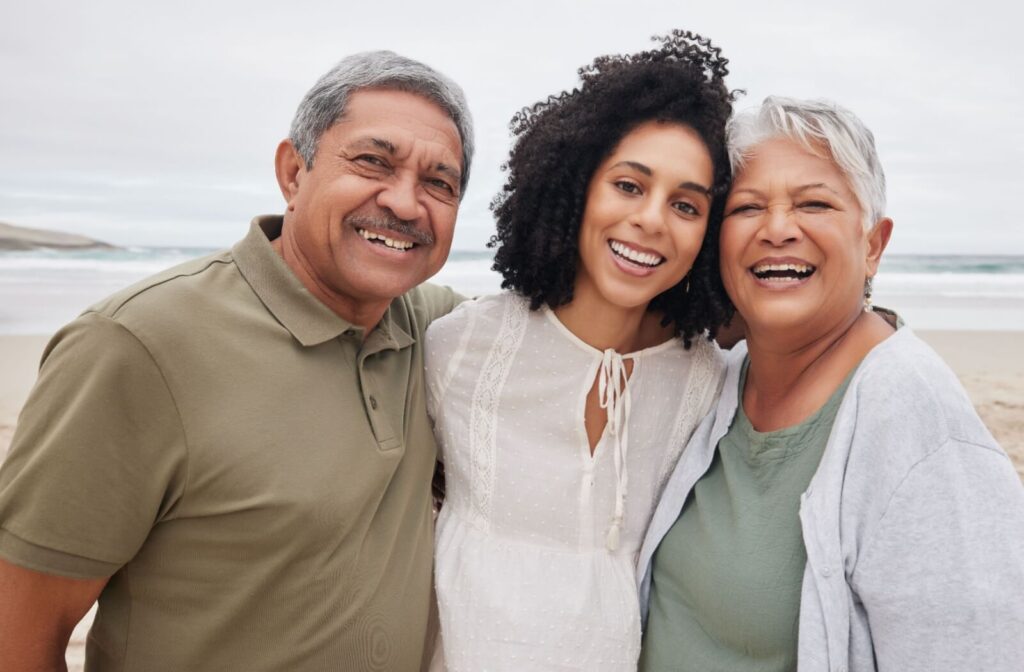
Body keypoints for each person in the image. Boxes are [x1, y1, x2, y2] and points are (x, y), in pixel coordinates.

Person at [0, 51, 473, 672]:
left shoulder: (441, 330)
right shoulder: (136, 346)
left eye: (440, 182)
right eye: (372, 161)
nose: (407, 204)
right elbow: (18, 632)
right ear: (293, 171)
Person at [638, 97, 1024, 671]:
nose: (776, 229)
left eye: (814, 203)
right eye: (747, 208)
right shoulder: (720, 380)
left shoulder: (918, 423)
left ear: (873, 245)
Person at [424, 31, 735, 671]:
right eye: (628, 185)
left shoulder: (705, 381)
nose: (652, 219)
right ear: (575, 186)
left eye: (685, 204)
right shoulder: (459, 348)